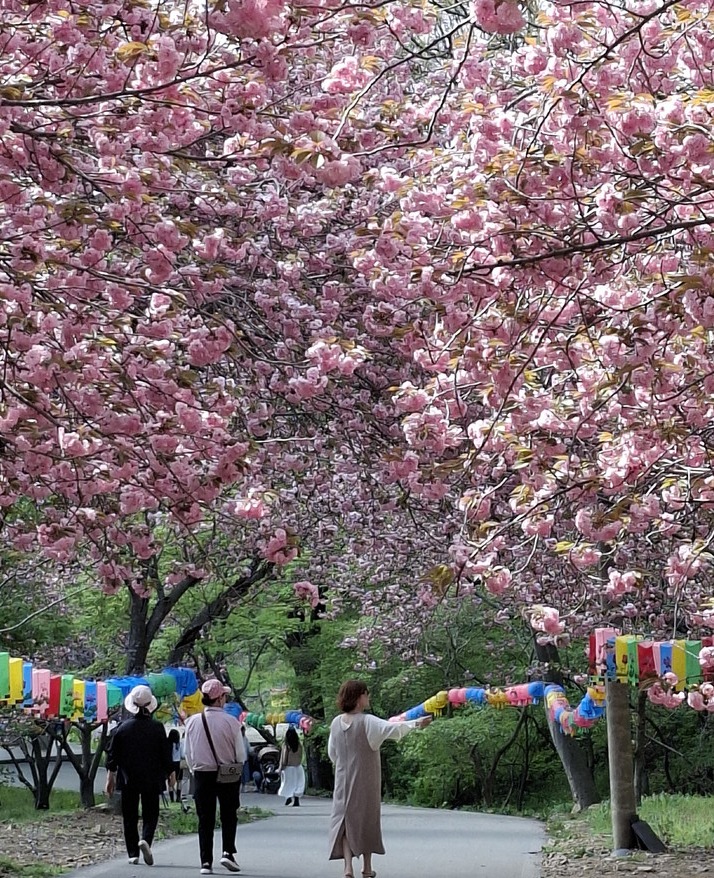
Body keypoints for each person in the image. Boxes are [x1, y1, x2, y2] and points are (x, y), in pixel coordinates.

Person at [327, 680, 431, 878]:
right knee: (366, 819)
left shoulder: (335, 723)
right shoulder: (367, 721)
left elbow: (332, 753)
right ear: (358, 697)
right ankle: (366, 867)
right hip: (365, 780)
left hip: (342, 779)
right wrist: (417, 723)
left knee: (345, 820)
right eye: (366, 694)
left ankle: (348, 868)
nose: (368, 698)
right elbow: (392, 729)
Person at [104, 685, 173, 867]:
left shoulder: (122, 728)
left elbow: (112, 756)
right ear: (151, 705)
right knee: (151, 813)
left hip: (128, 779)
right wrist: (170, 774)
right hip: (152, 778)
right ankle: (146, 841)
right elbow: (166, 755)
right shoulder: (157, 728)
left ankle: (133, 854)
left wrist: (110, 778)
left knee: (130, 816)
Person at [184, 679, 246, 875]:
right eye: (224, 696)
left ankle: (206, 862)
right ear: (219, 699)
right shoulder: (231, 722)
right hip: (227, 774)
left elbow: (188, 753)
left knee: (205, 818)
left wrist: (196, 769)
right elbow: (241, 755)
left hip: (202, 774)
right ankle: (227, 852)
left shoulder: (192, 722)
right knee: (229, 814)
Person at [278, 726, 305, 807]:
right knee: (298, 783)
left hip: (288, 767)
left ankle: (288, 797)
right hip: (298, 766)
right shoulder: (299, 745)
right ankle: (296, 799)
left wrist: (281, 767)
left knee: (288, 783)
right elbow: (301, 755)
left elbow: (284, 757)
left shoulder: (286, 745)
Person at [167, 728, 183, 804]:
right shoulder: (179, 744)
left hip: (170, 764)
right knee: (179, 781)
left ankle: (171, 799)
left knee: (170, 782)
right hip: (178, 763)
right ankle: (178, 797)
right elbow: (182, 754)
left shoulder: (168, 744)